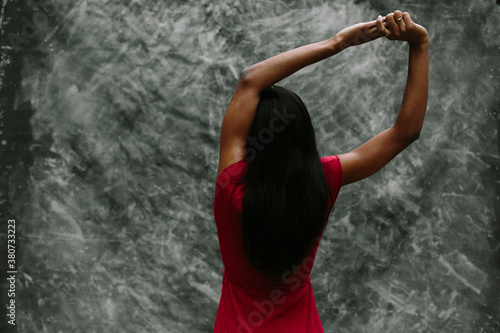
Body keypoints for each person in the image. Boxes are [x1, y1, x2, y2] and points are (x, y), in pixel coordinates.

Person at [213, 10, 428, 332]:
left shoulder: (230, 188)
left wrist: (337, 43)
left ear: (251, 139)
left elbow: (249, 82)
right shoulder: (323, 180)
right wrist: (420, 44)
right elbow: (405, 132)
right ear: (303, 136)